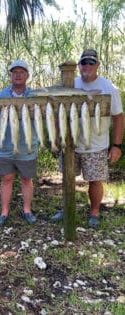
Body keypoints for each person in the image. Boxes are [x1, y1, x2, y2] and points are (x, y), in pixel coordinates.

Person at [52, 49, 124, 228]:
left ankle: (95, 211)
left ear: (97, 65)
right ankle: (67, 208)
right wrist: (56, 137)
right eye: (84, 62)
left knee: (95, 179)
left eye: (91, 62)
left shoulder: (109, 88)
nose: (87, 66)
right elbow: (57, 113)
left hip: (96, 144)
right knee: (67, 177)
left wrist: (116, 145)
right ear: (79, 65)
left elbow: (118, 117)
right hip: (71, 143)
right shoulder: (69, 84)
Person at [0, 60, 38, 226]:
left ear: (27, 75)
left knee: (26, 179)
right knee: (6, 178)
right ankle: (4, 213)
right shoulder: (0, 97)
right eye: (15, 72)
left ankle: (27, 210)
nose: (18, 75)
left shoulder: (35, 96)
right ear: (10, 75)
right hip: (5, 147)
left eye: (21, 72)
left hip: (27, 147)